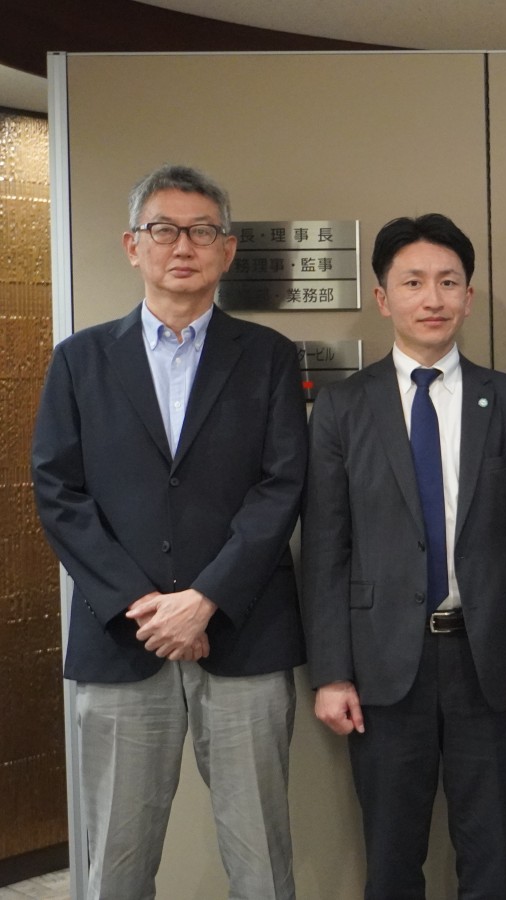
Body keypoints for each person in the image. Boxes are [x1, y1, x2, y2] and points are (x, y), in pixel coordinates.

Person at [31, 164, 306, 899]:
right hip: (122, 637)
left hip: (243, 636)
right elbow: (58, 491)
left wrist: (204, 598)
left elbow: (283, 486)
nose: (182, 245)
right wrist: (140, 603)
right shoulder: (81, 360)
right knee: (113, 867)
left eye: (201, 231)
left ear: (228, 249)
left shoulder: (271, 358)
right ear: (132, 245)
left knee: (261, 863)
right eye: (163, 229)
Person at [301, 213, 506, 899]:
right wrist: (330, 672)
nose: (432, 298)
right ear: (383, 298)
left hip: (490, 662)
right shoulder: (342, 409)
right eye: (413, 282)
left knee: (491, 856)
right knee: (389, 859)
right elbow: (324, 550)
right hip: (383, 666)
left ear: (469, 297)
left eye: (448, 282)